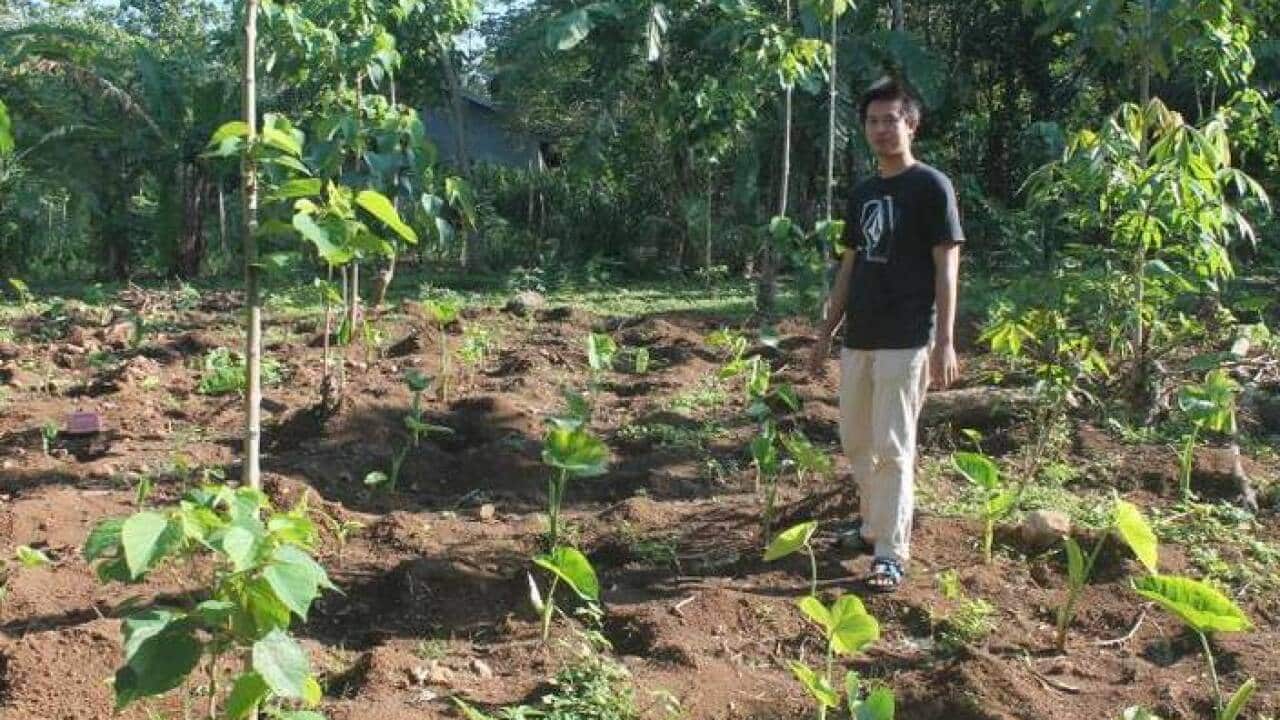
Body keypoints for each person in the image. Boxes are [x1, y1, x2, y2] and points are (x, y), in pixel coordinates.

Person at [807, 76, 963, 593]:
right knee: (855, 438)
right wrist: (825, 331)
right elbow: (848, 268)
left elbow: (947, 268)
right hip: (861, 336)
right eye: (872, 121)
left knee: (894, 445)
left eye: (890, 119)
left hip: (907, 335)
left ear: (911, 124)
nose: (881, 129)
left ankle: (891, 553)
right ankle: (872, 525)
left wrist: (944, 339)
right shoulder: (864, 193)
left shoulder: (931, 187)